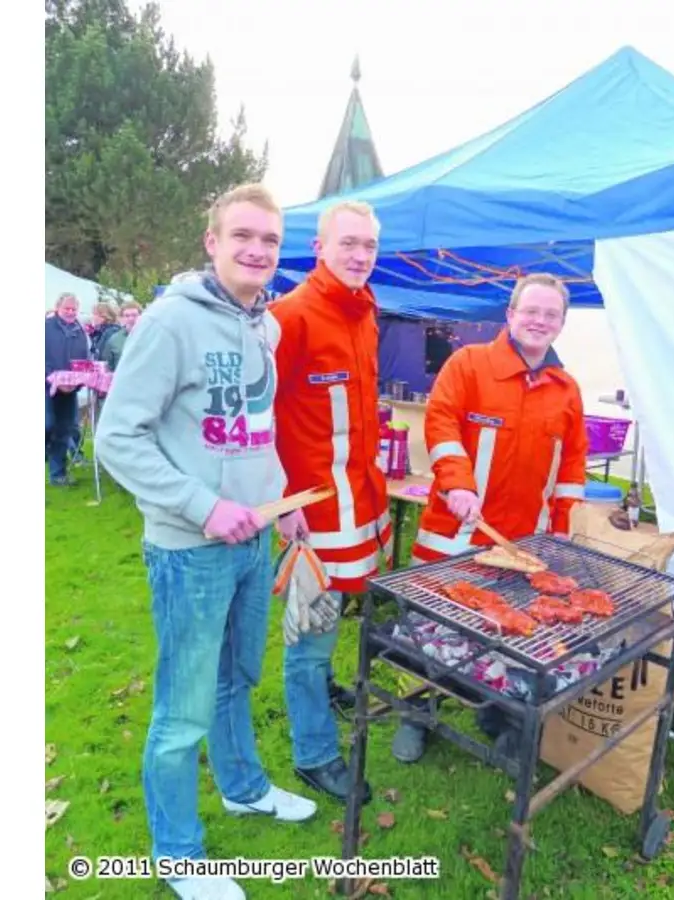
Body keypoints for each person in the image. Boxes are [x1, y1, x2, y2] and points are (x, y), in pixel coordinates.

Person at [95, 183, 314, 900]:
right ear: (212, 242)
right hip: (190, 550)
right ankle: (179, 855)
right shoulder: (169, 323)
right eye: (243, 236)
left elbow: (256, 428)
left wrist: (282, 501)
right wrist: (202, 506)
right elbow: (116, 437)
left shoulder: (265, 326)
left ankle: (243, 788)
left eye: (270, 240)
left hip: (254, 537)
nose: (257, 250)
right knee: (182, 710)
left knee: (236, 679)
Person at [390, 273, 591, 764]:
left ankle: (499, 717)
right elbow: (441, 423)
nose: (539, 321)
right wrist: (458, 482)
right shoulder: (469, 365)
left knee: (507, 635)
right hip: (455, 534)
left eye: (551, 314)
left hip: (521, 545)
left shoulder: (567, 390)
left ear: (562, 323)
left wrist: (560, 534)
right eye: (531, 311)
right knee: (428, 630)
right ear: (511, 314)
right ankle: (415, 713)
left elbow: (571, 466)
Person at [267, 200, 388, 804]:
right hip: (313, 510)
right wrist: (279, 500)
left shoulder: (366, 312)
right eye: (348, 243)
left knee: (334, 612)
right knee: (309, 634)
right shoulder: (288, 317)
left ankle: (325, 684)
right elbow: (257, 418)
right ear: (319, 248)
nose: (360, 256)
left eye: (369, 245)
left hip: (358, 501)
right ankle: (314, 753)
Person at [45, 292, 90, 486]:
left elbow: (84, 359)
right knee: (47, 424)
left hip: (70, 389)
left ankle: (58, 474)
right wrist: (52, 378)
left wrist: (75, 382)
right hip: (46, 386)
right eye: (67, 309)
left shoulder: (79, 331)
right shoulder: (46, 327)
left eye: (74, 309)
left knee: (64, 429)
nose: (71, 312)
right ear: (57, 308)